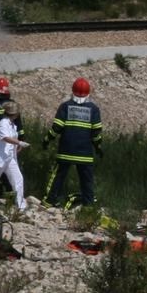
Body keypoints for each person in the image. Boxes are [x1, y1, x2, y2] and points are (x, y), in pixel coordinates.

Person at [43, 77, 103, 207]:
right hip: (85, 153)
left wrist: (47, 140)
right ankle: (88, 207)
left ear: (72, 90)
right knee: (87, 181)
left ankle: (49, 201)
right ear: (88, 92)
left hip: (66, 151)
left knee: (58, 177)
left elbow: (56, 128)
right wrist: (98, 147)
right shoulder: (94, 109)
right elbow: (96, 133)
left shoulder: (65, 106)